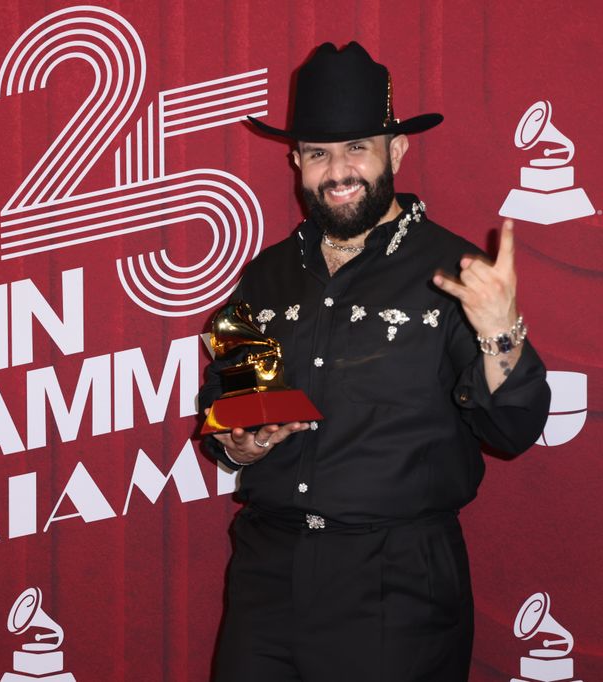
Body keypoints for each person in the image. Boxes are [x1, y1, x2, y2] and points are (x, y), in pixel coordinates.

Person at [197, 42, 551, 681]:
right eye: (317, 153)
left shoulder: (457, 273)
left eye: (357, 147)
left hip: (398, 583)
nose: (337, 171)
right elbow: (226, 416)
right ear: (295, 162)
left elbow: (514, 430)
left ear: (397, 151)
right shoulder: (265, 277)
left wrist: (501, 331)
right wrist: (242, 445)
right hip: (266, 578)